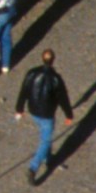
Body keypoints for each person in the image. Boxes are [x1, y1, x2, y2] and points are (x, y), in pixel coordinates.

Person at [15, 48, 75, 184]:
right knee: (45, 141)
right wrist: (69, 114)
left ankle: (48, 159)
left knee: (45, 136)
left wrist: (19, 108)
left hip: (33, 111)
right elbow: (63, 98)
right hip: (47, 114)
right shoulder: (56, 79)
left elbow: (24, 91)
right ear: (53, 60)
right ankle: (33, 167)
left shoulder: (31, 73)